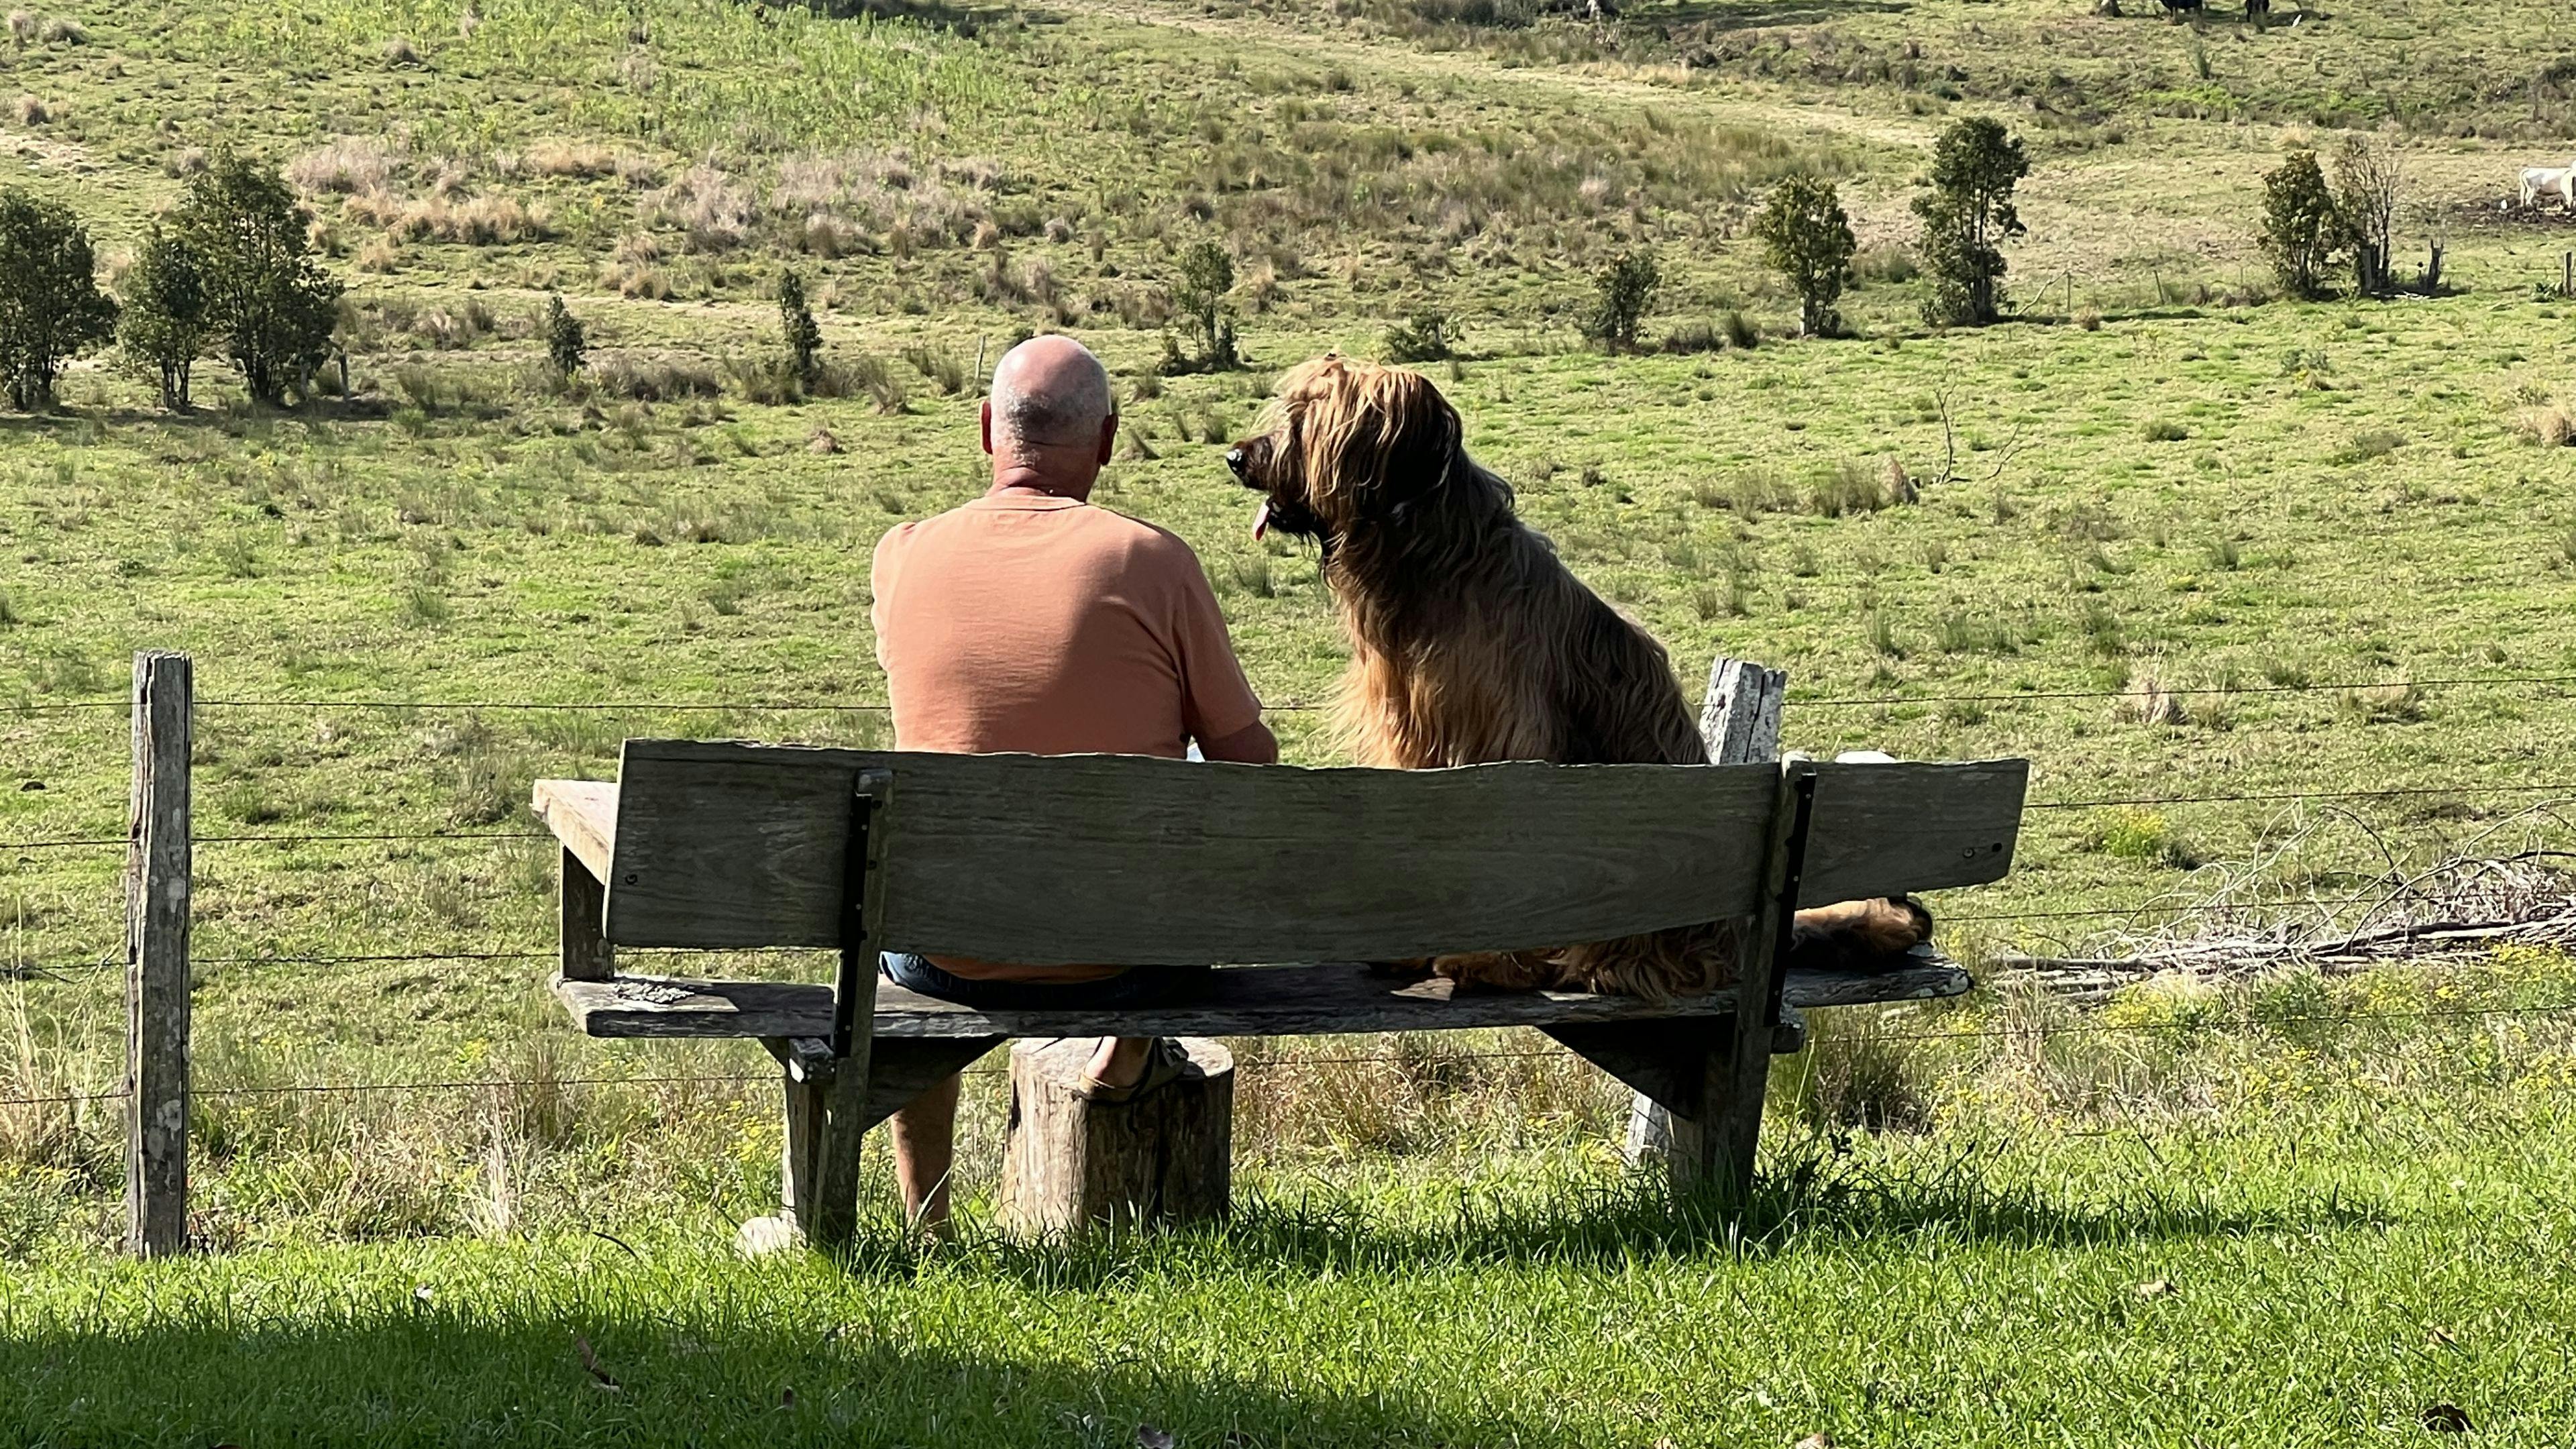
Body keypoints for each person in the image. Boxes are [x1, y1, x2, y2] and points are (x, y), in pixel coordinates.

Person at [868, 334, 1279, 1236]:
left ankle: (926, 1221)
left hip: (947, 951)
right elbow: (1250, 765)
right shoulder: (1154, 562)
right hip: (1128, 956)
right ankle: (1125, 1054)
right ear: (1108, 441)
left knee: (926, 859)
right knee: (1179, 799)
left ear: (988, 429)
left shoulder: (902, 556)